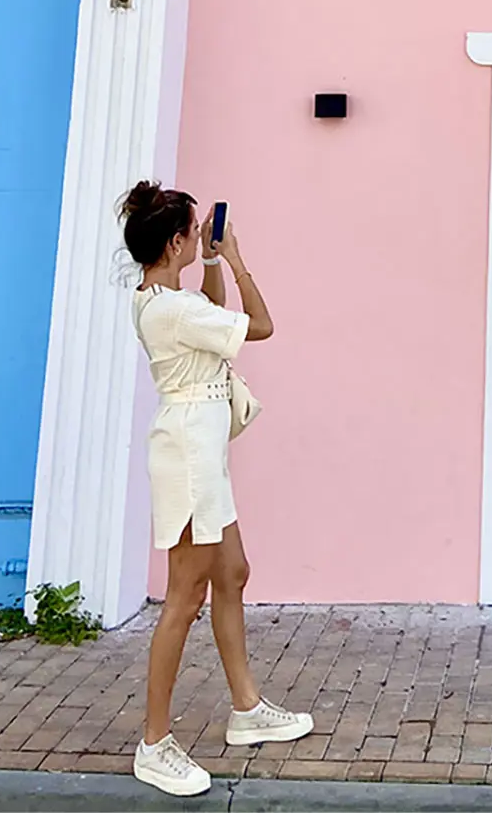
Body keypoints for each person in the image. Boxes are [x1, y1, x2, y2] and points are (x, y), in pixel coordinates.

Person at [119, 181, 312, 797]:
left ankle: (247, 709)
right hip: (189, 459)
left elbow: (213, 311)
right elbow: (261, 325)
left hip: (198, 451)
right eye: (192, 233)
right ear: (174, 243)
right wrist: (234, 256)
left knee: (232, 573)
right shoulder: (173, 311)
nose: (199, 237)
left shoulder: (162, 301)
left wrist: (208, 266)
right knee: (185, 597)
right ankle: (154, 743)